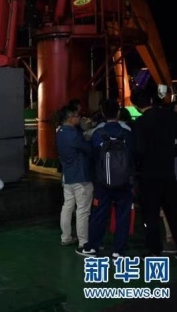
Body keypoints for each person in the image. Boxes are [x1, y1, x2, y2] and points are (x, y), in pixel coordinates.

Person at [131, 88, 177, 264]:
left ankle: (154, 250)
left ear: (136, 105)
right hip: (167, 172)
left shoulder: (140, 123)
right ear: (151, 100)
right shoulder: (170, 117)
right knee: (174, 213)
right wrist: (171, 153)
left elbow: (138, 151)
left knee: (151, 215)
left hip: (148, 174)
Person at [76, 99, 133, 259]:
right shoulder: (127, 132)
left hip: (102, 181)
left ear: (102, 113)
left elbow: (93, 156)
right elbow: (132, 156)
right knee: (123, 215)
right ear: (119, 112)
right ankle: (118, 250)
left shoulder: (97, 133)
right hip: (124, 181)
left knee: (99, 214)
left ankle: (93, 247)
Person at [56, 104, 93, 249]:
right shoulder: (74, 134)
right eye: (77, 116)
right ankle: (83, 241)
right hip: (80, 176)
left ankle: (65, 237)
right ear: (71, 118)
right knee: (82, 210)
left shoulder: (59, 132)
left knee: (67, 207)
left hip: (67, 175)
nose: (80, 118)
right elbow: (88, 149)